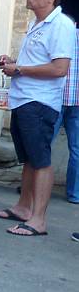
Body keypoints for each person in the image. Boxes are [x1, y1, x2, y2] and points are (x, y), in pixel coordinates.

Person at [0, 0, 74, 236]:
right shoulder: (36, 23)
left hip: (39, 103)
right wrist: (13, 62)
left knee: (41, 161)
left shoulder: (61, 25)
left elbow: (59, 68)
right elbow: (38, 61)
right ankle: (24, 208)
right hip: (24, 100)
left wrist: (20, 69)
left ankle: (38, 220)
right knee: (29, 158)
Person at [52, 24, 79, 203]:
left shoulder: (59, 32)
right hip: (76, 99)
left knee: (43, 145)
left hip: (56, 96)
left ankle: (32, 188)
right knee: (77, 149)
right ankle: (75, 193)